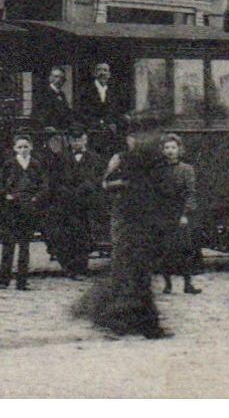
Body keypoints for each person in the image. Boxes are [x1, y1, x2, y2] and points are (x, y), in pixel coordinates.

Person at [72, 123, 168, 338]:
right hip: (128, 219)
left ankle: (137, 323)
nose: (137, 140)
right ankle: (133, 322)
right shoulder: (121, 159)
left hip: (143, 220)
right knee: (132, 272)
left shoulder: (153, 160)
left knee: (137, 273)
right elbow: (106, 183)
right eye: (134, 136)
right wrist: (124, 184)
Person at [0, 132, 49, 290]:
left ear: (31, 147)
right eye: (20, 147)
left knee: (24, 245)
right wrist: (7, 195)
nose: (23, 149)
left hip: (29, 207)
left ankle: (22, 281)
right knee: (8, 244)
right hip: (12, 208)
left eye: (26, 146)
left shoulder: (36, 165)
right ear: (14, 148)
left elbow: (43, 185)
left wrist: (36, 198)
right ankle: (3, 280)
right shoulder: (9, 164)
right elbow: (0, 183)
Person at [50, 129, 104, 279]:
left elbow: (97, 178)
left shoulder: (95, 159)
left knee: (84, 235)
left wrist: (85, 188)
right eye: (74, 140)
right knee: (69, 235)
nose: (77, 143)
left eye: (80, 139)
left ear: (86, 140)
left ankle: (82, 268)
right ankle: (71, 268)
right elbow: (55, 179)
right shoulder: (61, 158)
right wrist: (66, 191)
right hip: (68, 203)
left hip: (87, 203)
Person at [157, 133, 201, 295]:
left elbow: (191, 193)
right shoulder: (158, 170)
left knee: (185, 249)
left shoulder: (186, 170)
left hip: (181, 213)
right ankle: (167, 284)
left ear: (179, 150)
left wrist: (185, 214)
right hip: (163, 213)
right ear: (162, 150)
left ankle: (187, 284)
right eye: (167, 148)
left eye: (173, 148)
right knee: (165, 250)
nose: (170, 151)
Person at [33, 67, 75, 134]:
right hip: (47, 131)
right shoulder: (43, 93)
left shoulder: (61, 95)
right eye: (56, 77)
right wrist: (45, 127)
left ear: (64, 80)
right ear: (50, 78)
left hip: (60, 131)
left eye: (61, 78)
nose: (58, 80)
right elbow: (39, 112)